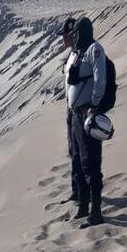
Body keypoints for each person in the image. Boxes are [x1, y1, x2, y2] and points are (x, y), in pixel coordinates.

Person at [67, 17, 106, 227]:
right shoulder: (78, 53)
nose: (75, 37)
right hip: (75, 115)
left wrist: (95, 105)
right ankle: (83, 205)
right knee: (79, 162)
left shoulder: (94, 50)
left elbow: (101, 79)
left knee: (91, 163)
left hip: (87, 115)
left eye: (78, 33)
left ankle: (96, 211)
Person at [57, 17, 78, 204]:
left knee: (82, 155)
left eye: (65, 35)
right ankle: (76, 191)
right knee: (73, 152)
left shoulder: (81, 54)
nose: (63, 38)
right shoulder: (71, 55)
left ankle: (83, 194)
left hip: (80, 112)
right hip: (70, 110)